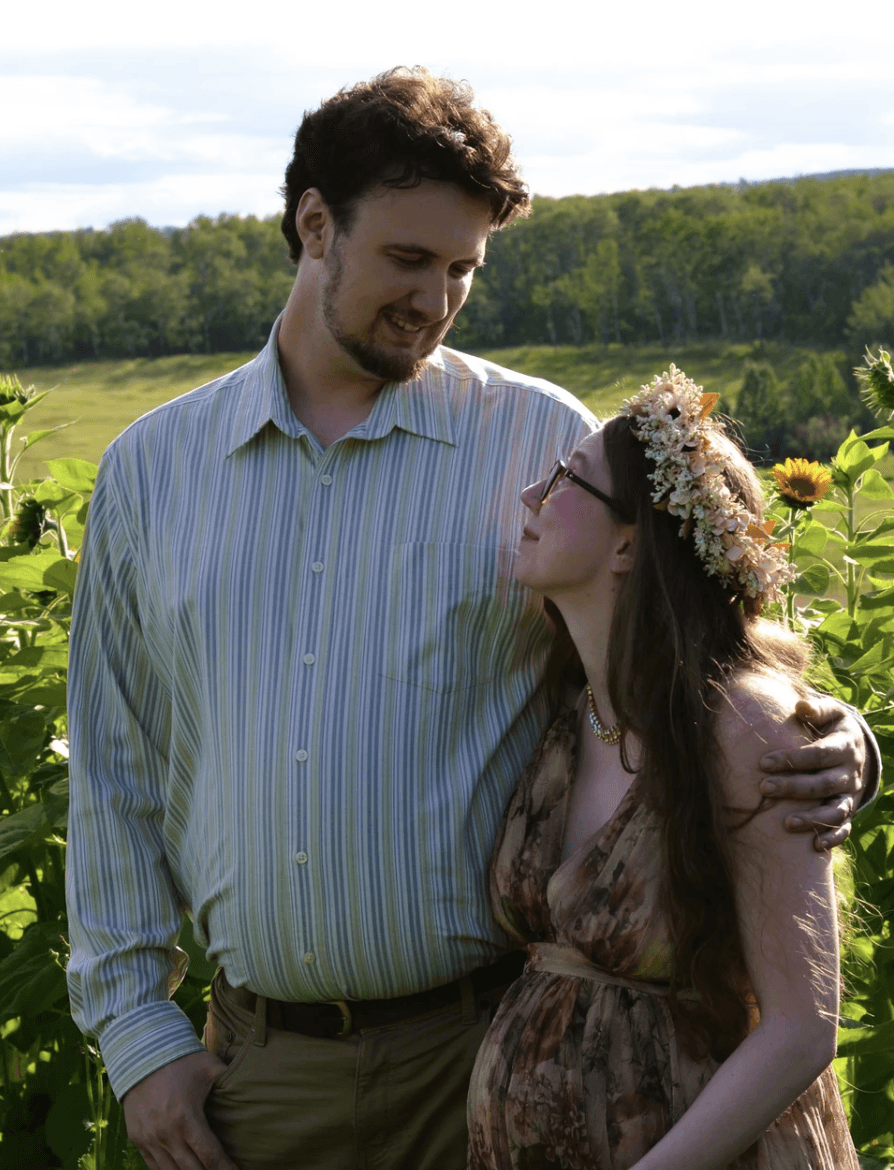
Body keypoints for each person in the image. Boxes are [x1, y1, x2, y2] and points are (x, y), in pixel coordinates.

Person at [65, 69, 875, 1170]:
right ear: (314, 225)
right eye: (409, 260)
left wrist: (832, 739)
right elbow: (114, 773)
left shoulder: (537, 438)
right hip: (263, 1079)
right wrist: (137, 1038)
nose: (437, 299)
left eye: (464, 270)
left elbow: (685, 633)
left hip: (501, 1060)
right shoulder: (150, 472)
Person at [467, 367, 862, 1168]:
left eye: (566, 479)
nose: (530, 498)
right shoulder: (568, 708)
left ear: (629, 542)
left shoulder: (747, 726)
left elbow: (800, 1027)